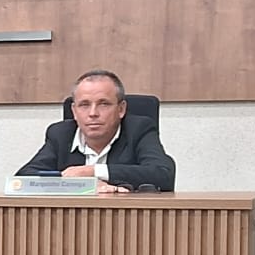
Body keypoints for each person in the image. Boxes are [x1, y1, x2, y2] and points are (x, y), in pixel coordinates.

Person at [16, 69, 175, 192]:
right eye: (84, 105)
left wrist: (92, 172)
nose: (93, 113)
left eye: (103, 104)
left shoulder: (139, 129)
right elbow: (23, 180)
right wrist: (84, 186)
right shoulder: (60, 134)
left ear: (121, 109)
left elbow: (162, 174)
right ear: (74, 111)